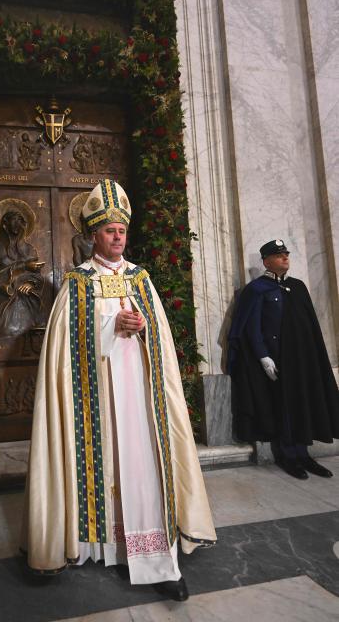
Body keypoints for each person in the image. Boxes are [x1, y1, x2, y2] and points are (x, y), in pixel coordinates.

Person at [21, 179, 216, 601]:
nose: (117, 238)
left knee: (142, 467)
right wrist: (111, 327)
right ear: (93, 235)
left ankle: (157, 560)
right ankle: (98, 545)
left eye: (122, 231)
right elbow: (64, 347)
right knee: (100, 466)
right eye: (109, 231)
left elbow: (160, 340)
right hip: (93, 401)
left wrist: (142, 328)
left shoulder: (140, 279)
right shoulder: (77, 282)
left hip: (138, 400)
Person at [228, 239, 339, 479]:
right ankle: (289, 455)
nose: (285, 258)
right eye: (279, 255)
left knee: (304, 404)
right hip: (277, 361)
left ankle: (304, 454)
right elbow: (251, 328)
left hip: (302, 361)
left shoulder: (298, 287)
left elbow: (310, 326)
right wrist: (263, 357)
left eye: (286, 254)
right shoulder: (257, 289)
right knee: (285, 407)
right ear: (266, 261)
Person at [0, 203, 45, 338]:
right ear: (5, 223)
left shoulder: (29, 249)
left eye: (21, 220)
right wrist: (23, 266)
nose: (18, 223)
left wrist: (31, 283)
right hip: (0, 302)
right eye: (14, 219)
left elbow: (37, 275)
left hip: (26, 300)